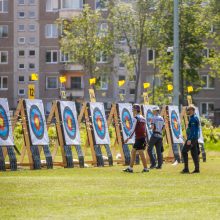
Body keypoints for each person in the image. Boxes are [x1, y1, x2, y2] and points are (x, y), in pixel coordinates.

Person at [123, 104, 149, 173]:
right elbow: (145, 129)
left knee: (138, 152)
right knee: (135, 152)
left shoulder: (136, 118)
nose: (132, 111)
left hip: (139, 138)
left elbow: (133, 129)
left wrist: (128, 138)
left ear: (136, 110)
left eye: (133, 110)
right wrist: (146, 139)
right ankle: (131, 168)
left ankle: (144, 168)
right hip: (142, 137)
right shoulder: (143, 118)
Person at [181, 105, 200, 174]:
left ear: (192, 110)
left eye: (188, 110)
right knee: (194, 153)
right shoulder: (194, 118)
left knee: (184, 151)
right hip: (194, 138)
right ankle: (197, 169)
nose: (187, 111)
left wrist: (189, 139)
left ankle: (186, 169)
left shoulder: (193, 119)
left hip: (192, 138)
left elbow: (193, 131)